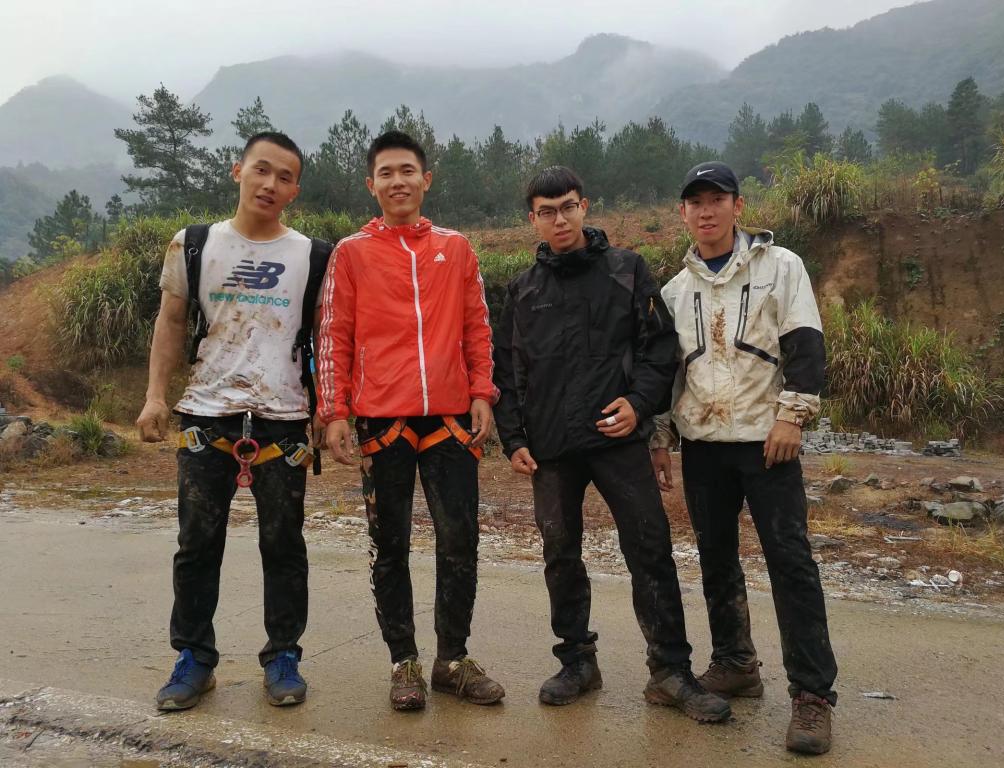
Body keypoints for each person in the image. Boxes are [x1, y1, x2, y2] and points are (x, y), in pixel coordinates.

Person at [491, 166, 731, 723]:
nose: (559, 219)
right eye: (547, 211)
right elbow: (507, 369)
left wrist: (639, 404)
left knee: (650, 548)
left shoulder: (626, 270)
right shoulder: (525, 290)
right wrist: (513, 438)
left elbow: (659, 347)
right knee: (560, 554)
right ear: (533, 219)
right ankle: (577, 661)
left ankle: (670, 670)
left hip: (616, 436)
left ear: (584, 207)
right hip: (551, 446)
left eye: (568, 207)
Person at [650, 160, 838, 754]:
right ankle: (735, 663)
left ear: (738, 206)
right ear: (683, 213)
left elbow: (805, 344)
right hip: (704, 446)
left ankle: (812, 695)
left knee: (790, 562)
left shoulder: (780, 267)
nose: (706, 211)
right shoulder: (675, 291)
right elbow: (668, 373)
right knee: (716, 559)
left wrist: (792, 415)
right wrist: (661, 437)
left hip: (768, 443)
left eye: (717, 199)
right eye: (695, 202)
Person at [317, 130, 504, 711]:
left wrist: (483, 391)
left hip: (451, 418)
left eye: (407, 171)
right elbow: (334, 334)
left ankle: (452, 660)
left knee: (459, 539)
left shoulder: (457, 248)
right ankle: (404, 663)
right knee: (389, 544)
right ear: (370, 184)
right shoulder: (351, 253)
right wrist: (334, 410)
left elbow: (477, 325)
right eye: (386, 173)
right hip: (381, 420)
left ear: (427, 179)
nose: (398, 181)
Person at [137, 132, 324, 710]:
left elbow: (328, 338)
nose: (270, 184)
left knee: (284, 544)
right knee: (197, 543)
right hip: (206, 413)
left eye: (285, 177)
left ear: (295, 190)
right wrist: (155, 397)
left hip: (283, 418)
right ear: (237, 170)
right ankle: (194, 659)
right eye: (261, 170)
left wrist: (328, 410)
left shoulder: (315, 256)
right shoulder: (194, 244)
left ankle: (283, 655)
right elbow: (171, 322)